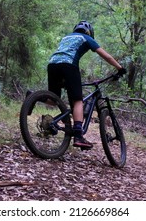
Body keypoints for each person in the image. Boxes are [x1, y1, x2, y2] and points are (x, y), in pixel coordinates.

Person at [48, 20, 126, 149]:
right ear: (89, 31)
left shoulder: (66, 37)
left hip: (52, 64)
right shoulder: (86, 38)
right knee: (78, 101)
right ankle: (78, 136)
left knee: (52, 99)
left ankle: (33, 97)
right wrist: (120, 68)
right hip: (68, 65)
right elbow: (106, 56)